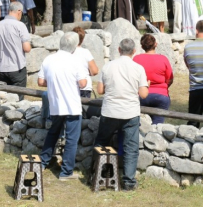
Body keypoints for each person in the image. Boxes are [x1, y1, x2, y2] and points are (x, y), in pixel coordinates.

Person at [94, 39, 149, 191]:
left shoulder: (108, 66)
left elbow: (100, 90)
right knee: (131, 148)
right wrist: (147, 85)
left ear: (118, 49)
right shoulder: (138, 68)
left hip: (110, 111)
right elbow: (144, 94)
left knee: (101, 142)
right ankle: (129, 182)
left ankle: (98, 174)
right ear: (134, 51)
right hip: (130, 112)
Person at [39, 32, 88, 181]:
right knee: (72, 139)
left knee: (53, 133)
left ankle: (42, 162)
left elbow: (41, 82)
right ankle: (66, 172)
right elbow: (83, 83)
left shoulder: (49, 59)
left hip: (55, 104)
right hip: (72, 105)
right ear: (74, 47)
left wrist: (54, 83)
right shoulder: (76, 61)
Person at [0, 1, 31, 93]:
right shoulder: (20, 25)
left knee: (4, 99)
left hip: (2, 69)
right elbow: (27, 48)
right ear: (19, 11)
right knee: (18, 100)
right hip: (17, 68)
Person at [133, 34, 173, 124]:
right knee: (158, 125)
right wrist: (164, 87)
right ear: (156, 44)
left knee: (139, 124)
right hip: (161, 95)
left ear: (142, 46)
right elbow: (170, 79)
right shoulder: (163, 59)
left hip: (140, 94)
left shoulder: (136, 59)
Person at [183, 20, 203, 127]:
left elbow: (188, 66)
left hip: (195, 88)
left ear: (196, 31)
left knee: (192, 123)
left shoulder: (188, 47)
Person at [72, 26, 99, 98]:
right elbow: (95, 71)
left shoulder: (67, 52)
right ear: (83, 39)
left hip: (70, 86)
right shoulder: (85, 52)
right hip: (85, 87)